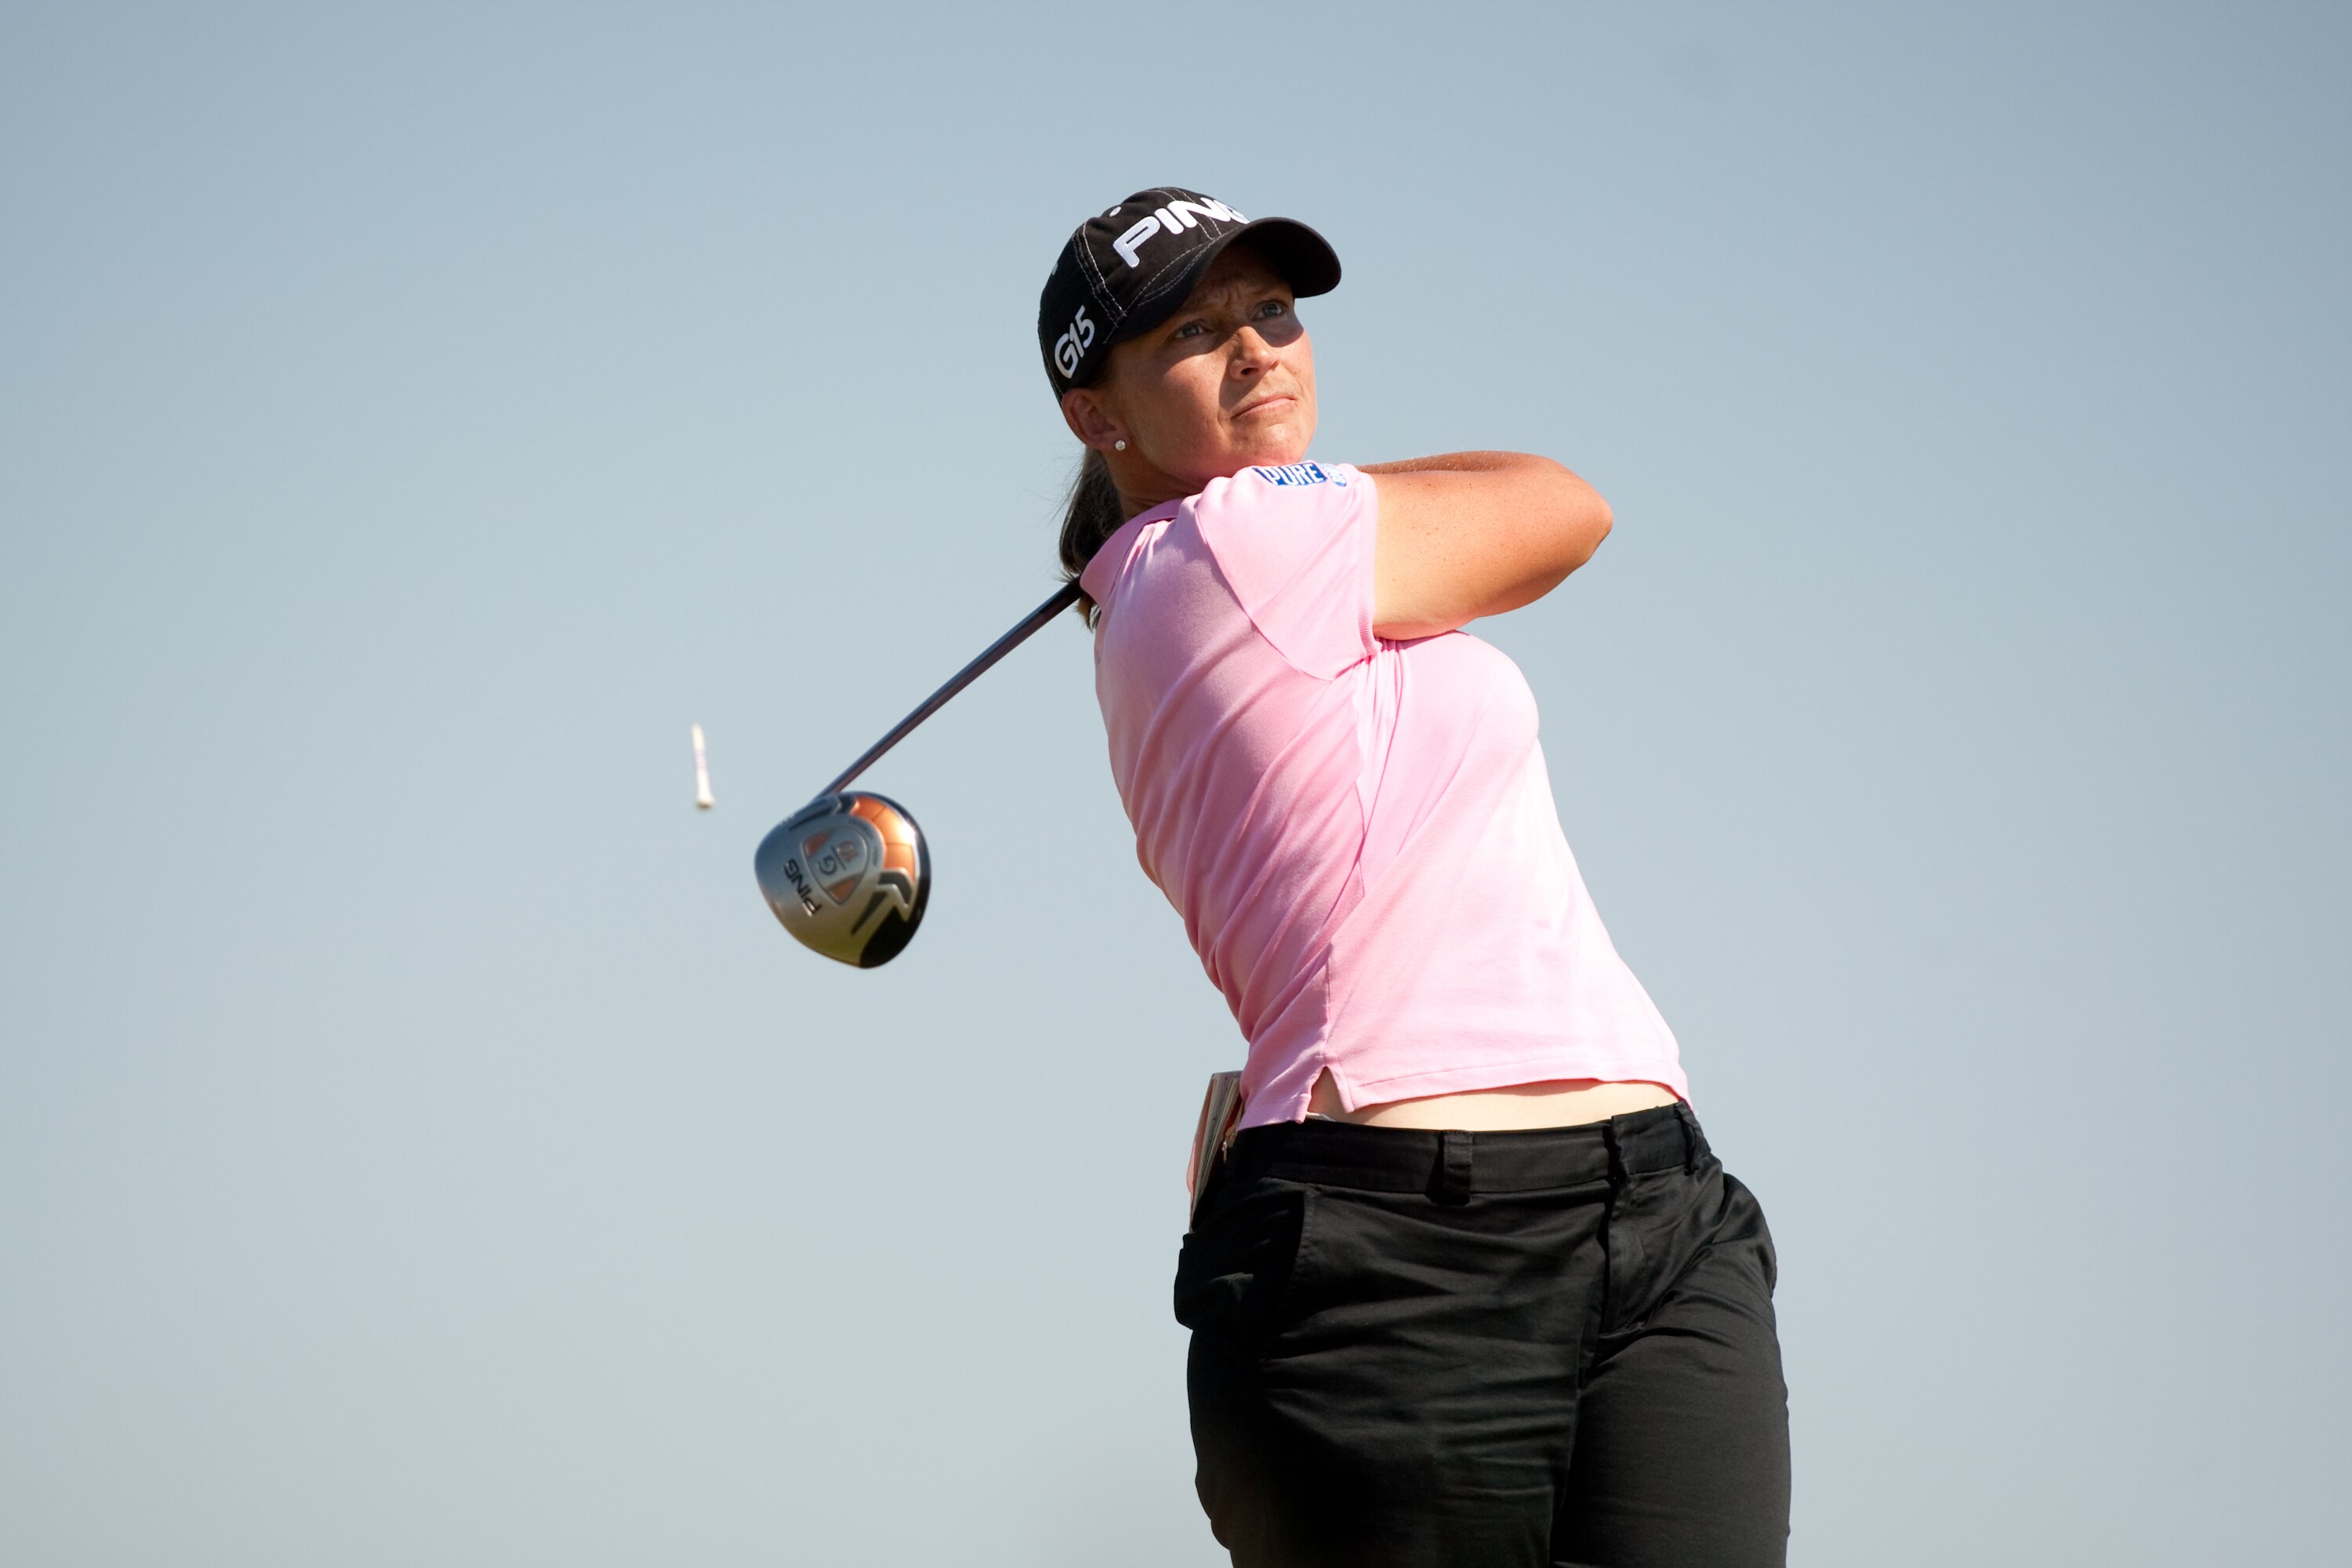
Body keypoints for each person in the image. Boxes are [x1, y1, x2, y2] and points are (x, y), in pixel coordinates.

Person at [1037, 188, 1789, 1568]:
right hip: (1395, 1257)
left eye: (1273, 310)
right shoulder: (1232, 541)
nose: (1261, 349)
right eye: (1194, 334)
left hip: (1660, 1208)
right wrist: (1311, 488)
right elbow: (1563, 506)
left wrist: (1311, 486)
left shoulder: (1242, 552)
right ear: (1100, 414)